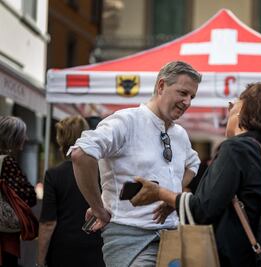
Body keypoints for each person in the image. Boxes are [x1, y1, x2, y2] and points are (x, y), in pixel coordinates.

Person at [131, 82, 261, 267]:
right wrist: (175, 202)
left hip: (231, 257)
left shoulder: (236, 148)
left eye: (232, 105)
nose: (229, 110)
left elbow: (202, 210)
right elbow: (219, 202)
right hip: (253, 256)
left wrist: (159, 193)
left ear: (243, 110)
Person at [70, 61, 202, 267]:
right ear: (161, 86)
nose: (187, 102)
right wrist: (98, 209)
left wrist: (171, 196)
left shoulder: (180, 134)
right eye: (183, 93)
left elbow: (193, 163)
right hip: (129, 238)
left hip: (171, 237)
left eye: (192, 97)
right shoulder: (126, 121)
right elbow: (81, 154)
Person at [37, 116, 105, 267]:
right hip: (97, 247)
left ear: (61, 139)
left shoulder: (54, 174)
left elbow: (48, 223)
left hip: (63, 251)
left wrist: (40, 261)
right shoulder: (101, 172)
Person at [0, 116, 37, 267]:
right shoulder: (7, 162)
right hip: (4, 235)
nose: (26, 138)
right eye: (23, 134)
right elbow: (28, 196)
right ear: (12, 137)